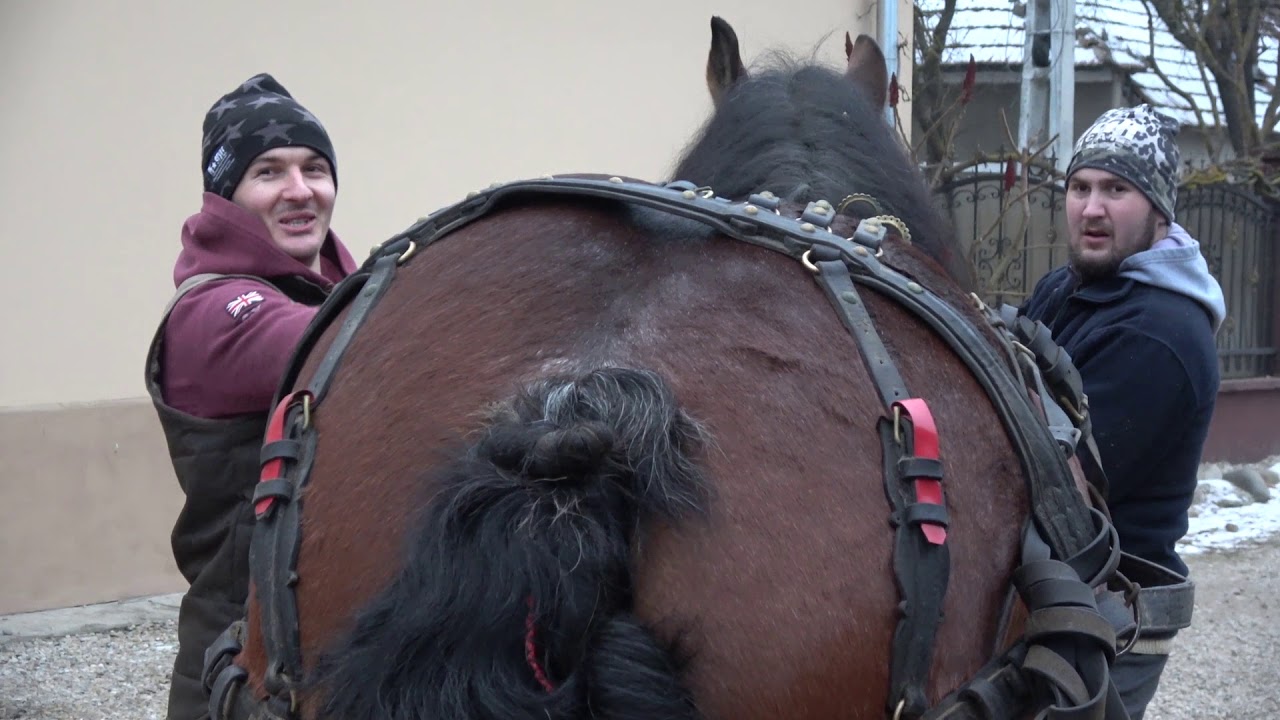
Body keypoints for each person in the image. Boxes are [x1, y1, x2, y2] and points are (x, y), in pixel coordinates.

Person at [144, 73, 358, 720]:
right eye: (268, 172)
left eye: (314, 168)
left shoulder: (340, 291)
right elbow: (344, 347)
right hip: (239, 674)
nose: (300, 190)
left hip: (318, 653)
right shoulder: (215, 309)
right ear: (226, 197)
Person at [1020, 104, 1225, 719]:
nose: (1092, 208)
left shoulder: (1161, 333)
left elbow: (1055, 483)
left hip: (1108, 620)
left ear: (1159, 211)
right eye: (1080, 187)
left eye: (1116, 190)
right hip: (1053, 593)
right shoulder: (1069, 287)